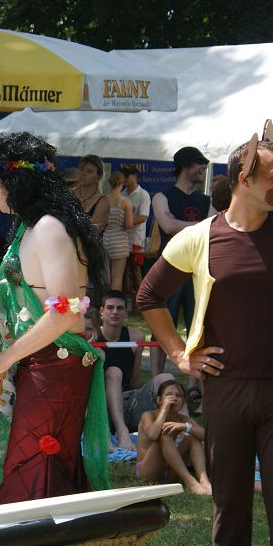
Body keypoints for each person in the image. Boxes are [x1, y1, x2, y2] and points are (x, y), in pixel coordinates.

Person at [138, 131, 273, 546]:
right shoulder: (202, 238)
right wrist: (180, 353)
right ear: (244, 179)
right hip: (226, 392)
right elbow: (149, 296)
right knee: (231, 506)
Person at [0, 132, 110, 505]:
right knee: (34, 463)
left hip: (55, 365)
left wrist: (4, 358)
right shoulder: (30, 227)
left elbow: (63, 311)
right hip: (40, 361)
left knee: (37, 465)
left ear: (19, 182)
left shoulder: (49, 228)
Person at [148, 146, 215, 397]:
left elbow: (213, 229)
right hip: (169, 270)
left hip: (198, 272)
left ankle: (193, 385)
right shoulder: (161, 196)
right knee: (160, 323)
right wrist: (201, 226)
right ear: (184, 166)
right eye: (199, 163)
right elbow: (166, 225)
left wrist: (185, 226)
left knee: (196, 327)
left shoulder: (206, 200)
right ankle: (157, 381)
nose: (203, 169)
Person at [136, 380, 209, 494]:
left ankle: (204, 481)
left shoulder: (184, 420)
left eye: (178, 395)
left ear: (183, 402)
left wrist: (186, 427)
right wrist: (164, 410)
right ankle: (190, 482)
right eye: (169, 394)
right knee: (164, 436)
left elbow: (208, 437)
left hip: (172, 473)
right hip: (149, 471)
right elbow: (153, 435)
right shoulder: (149, 415)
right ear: (159, 400)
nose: (173, 398)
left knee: (193, 436)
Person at [97, 290, 147, 450]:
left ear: (126, 312)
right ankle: (122, 433)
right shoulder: (92, 336)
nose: (115, 312)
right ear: (101, 311)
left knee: (165, 379)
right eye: (110, 308)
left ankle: (187, 431)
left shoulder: (136, 337)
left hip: (125, 401)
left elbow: (135, 378)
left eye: (120, 308)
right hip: (98, 405)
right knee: (113, 372)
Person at [120, 165, 150, 295]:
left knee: (135, 269)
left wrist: (127, 223)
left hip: (136, 239)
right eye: (123, 177)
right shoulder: (121, 194)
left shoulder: (143, 195)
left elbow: (143, 217)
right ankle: (127, 302)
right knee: (123, 270)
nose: (124, 179)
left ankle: (142, 301)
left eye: (127, 176)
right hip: (121, 238)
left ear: (134, 176)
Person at [101, 171, 134, 291]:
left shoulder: (103, 200)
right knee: (117, 277)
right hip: (119, 240)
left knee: (105, 276)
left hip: (105, 239)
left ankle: (104, 304)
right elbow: (129, 224)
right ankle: (115, 306)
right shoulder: (125, 202)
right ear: (122, 183)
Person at [76, 154, 109, 231]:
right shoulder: (69, 195)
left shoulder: (103, 202)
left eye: (89, 171)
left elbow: (92, 233)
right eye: (81, 169)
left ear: (99, 177)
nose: (83, 174)